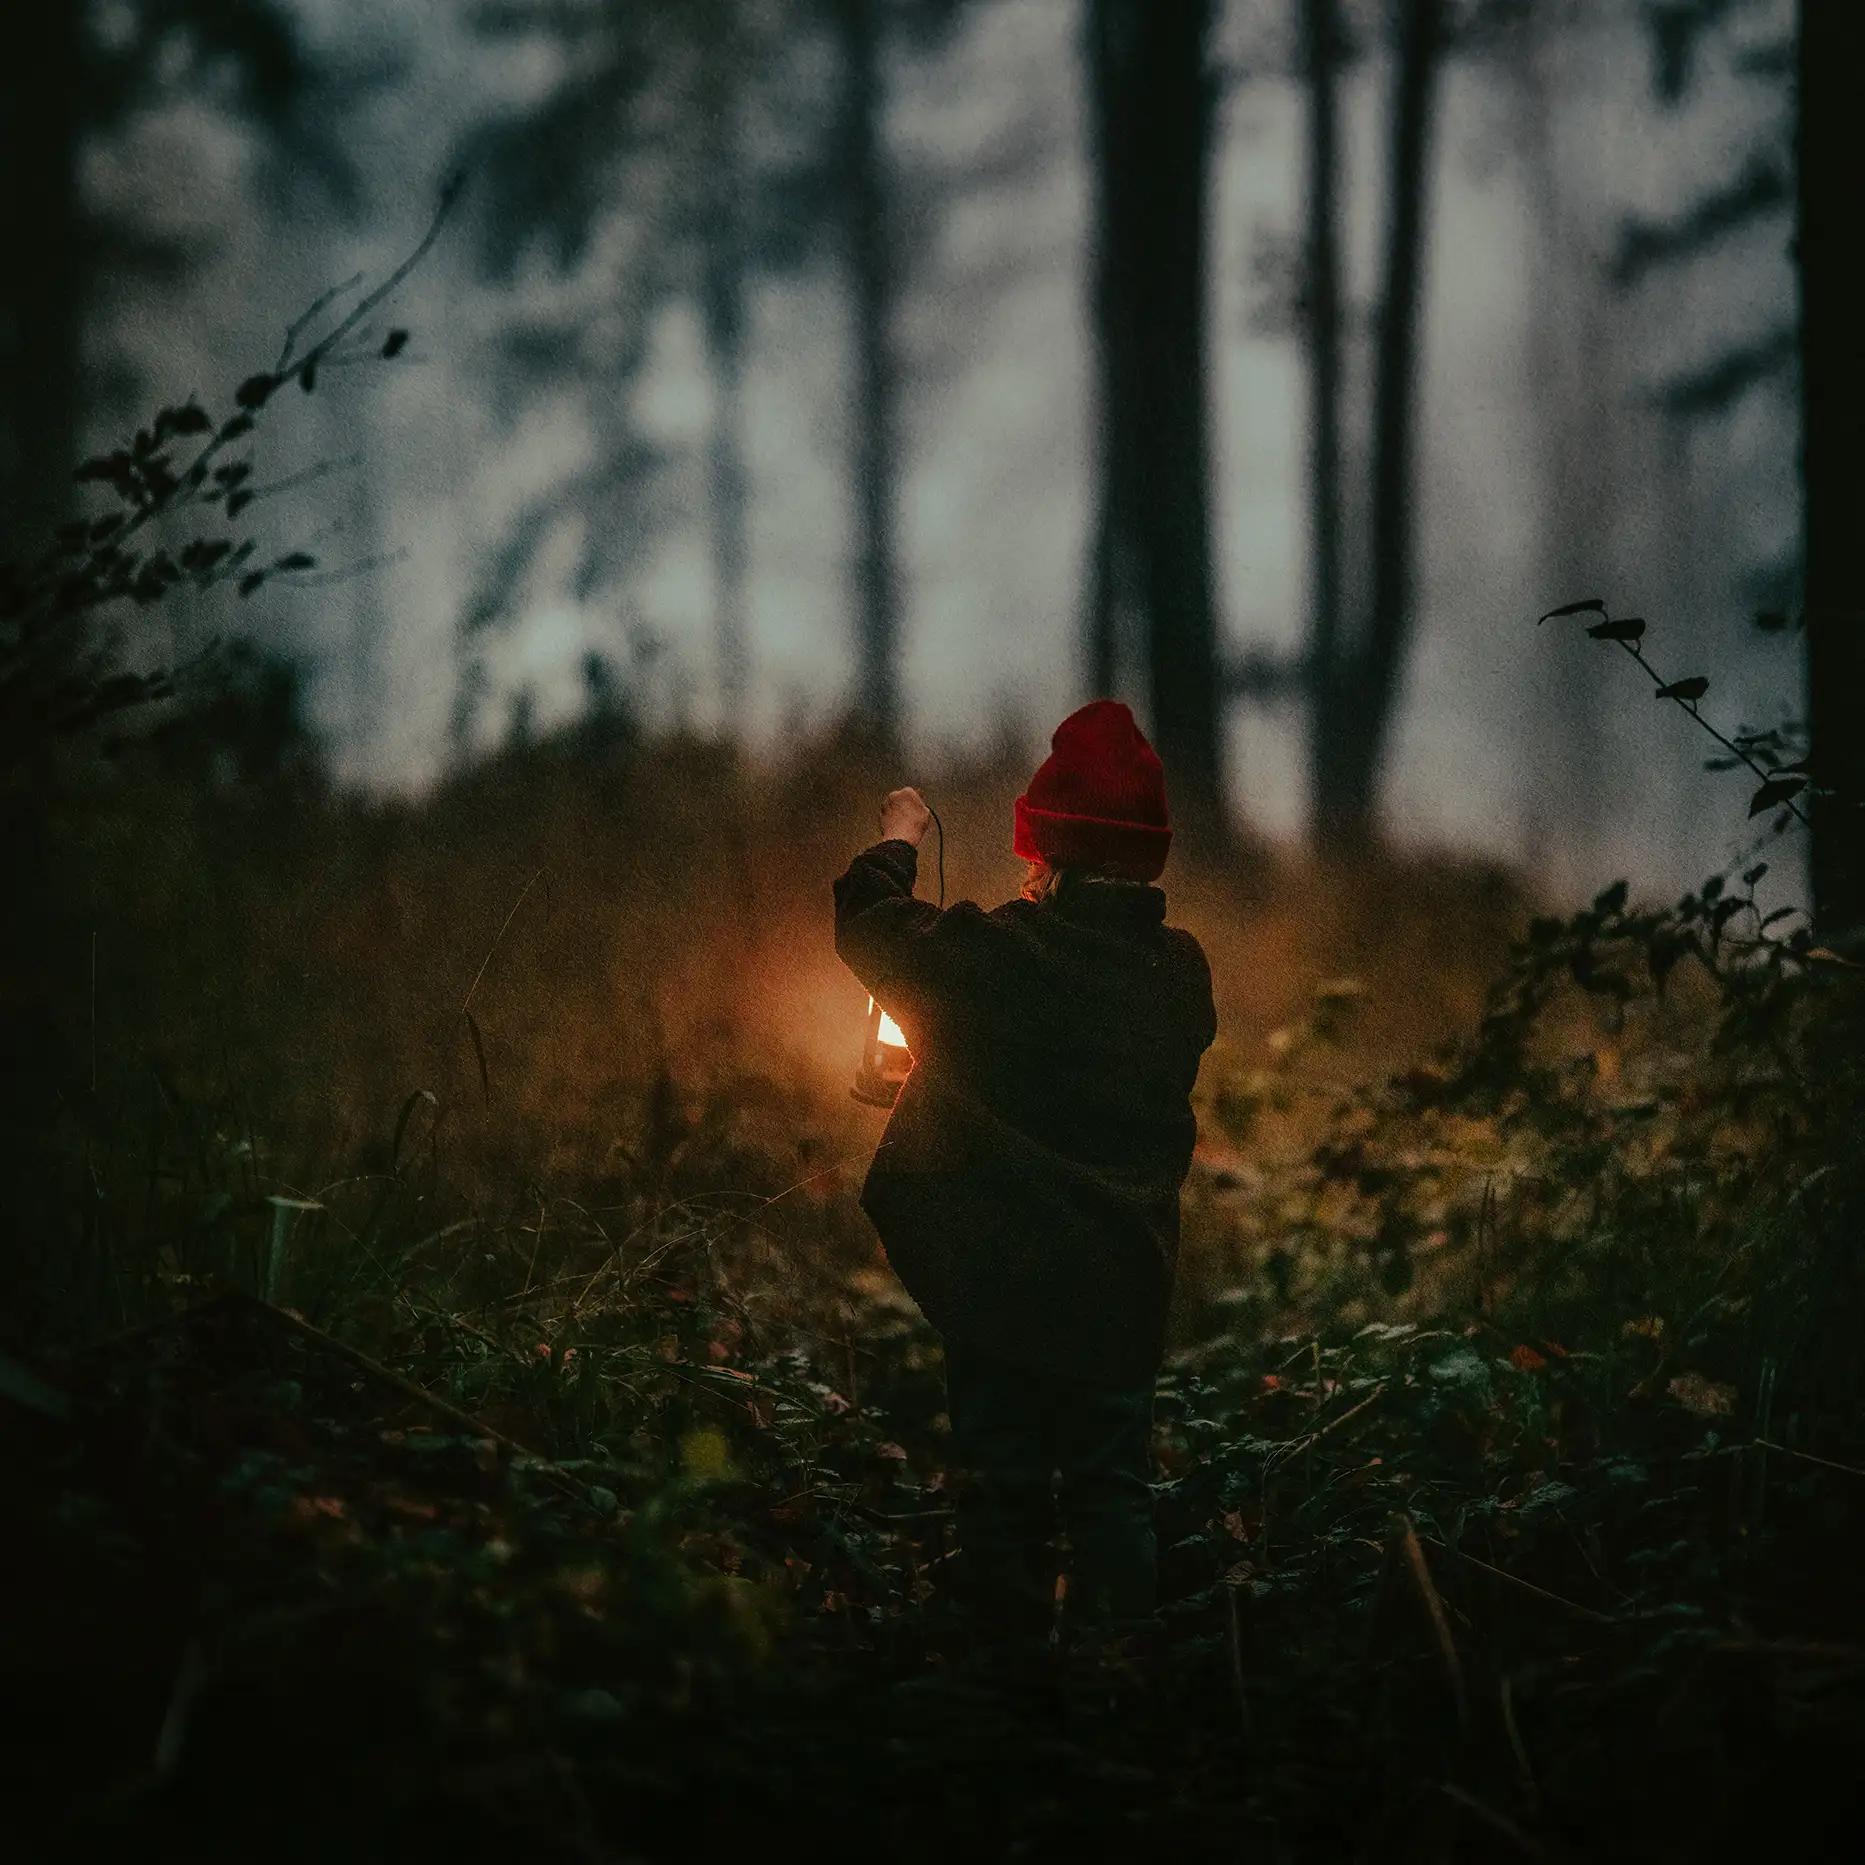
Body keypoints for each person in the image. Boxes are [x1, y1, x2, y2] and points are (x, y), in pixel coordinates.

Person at [832, 700, 1217, 1655]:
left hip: (999, 1286)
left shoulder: (1004, 953)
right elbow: (1081, 1072)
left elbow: (873, 928)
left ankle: (1004, 1679)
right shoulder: (1179, 973)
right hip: (1121, 1285)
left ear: (1042, 853)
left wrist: (898, 836)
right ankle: (1121, 1670)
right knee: (1110, 1487)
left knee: (1003, 1478)